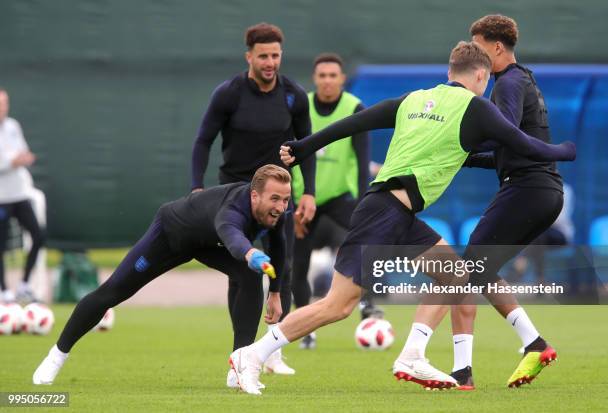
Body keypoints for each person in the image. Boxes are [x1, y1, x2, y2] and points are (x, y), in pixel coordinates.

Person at [227, 41, 576, 395]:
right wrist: (562, 151)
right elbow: (521, 142)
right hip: (383, 212)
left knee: (456, 275)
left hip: (394, 211)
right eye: (486, 81)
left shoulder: (415, 99)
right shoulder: (476, 107)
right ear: (482, 75)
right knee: (338, 305)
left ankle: (412, 355)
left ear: (449, 72)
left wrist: (306, 146)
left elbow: (356, 122)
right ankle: (253, 355)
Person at [32, 165, 290, 386]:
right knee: (112, 292)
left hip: (205, 244)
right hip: (171, 234)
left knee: (250, 276)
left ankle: (240, 366)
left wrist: (275, 292)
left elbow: (280, 250)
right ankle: (56, 355)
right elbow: (230, 234)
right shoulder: (233, 208)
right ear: (255, 196)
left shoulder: (275, 215)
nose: (280, 206)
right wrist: (249, 253)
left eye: (286, 200)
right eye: (275, 198)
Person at [438, 14, 567, 389]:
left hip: (528, 189)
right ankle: (534, 343)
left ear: (496, 48)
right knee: (478, 271)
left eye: (478, 48)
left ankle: (463, 372)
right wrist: (461, 157)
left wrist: (454, 143)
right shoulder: (521, 78)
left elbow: (502, 135)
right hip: (541, 190)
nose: (473, 56)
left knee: (463, 275)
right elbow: (505, 147)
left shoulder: (506, 84)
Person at [190, 22, 316, 375]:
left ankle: (273, 350)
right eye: (263, 56)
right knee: (242, 273)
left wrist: (309, 192)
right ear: (249, 56)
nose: (270, 62)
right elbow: (203, 141)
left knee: (283, 267)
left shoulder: (294, 96)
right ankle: (243, 348)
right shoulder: (229, 94)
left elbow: (307, 148)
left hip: (277, 196)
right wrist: (197, 188)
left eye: (276, 55)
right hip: (234, 194)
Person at [290, 52, 380, 350]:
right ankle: (305, 330)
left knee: (362, 247)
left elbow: (362, 158)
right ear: (315, 79)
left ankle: (368, 307)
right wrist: (291, 205)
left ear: (342, 79)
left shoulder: (354, 107)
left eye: (333, 75)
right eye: (322, 75)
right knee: (298, 262)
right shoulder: (300, 107)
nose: (328, 80)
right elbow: (287, 157)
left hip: (342, 198)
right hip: (305, 200)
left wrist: (363, 203)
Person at [0, 88, 45, 303]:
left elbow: (22, 152)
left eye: (5, 102)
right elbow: (9, 161)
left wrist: (24, 158)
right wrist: (11, 162)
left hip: (19, 194)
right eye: (0, 103)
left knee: (38, 235)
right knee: (2, 245)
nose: (3, 107)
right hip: (1, 198)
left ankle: (24, 285)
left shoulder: (13, 126)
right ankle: (4, 290)